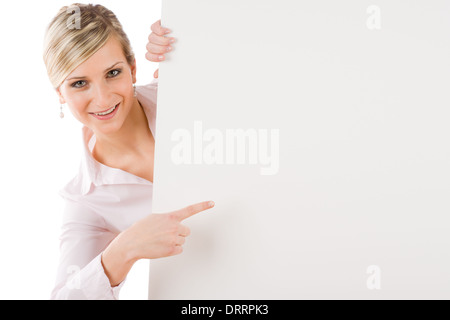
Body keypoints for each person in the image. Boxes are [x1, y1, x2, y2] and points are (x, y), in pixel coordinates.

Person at [43, 3, 215, 300]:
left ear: (133, 68)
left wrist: (195, 33)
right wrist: (125, 250)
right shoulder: (88, 200)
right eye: (79, 83)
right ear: (60, 92)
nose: (102, 98)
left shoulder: (182, 92)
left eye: (112, 72)